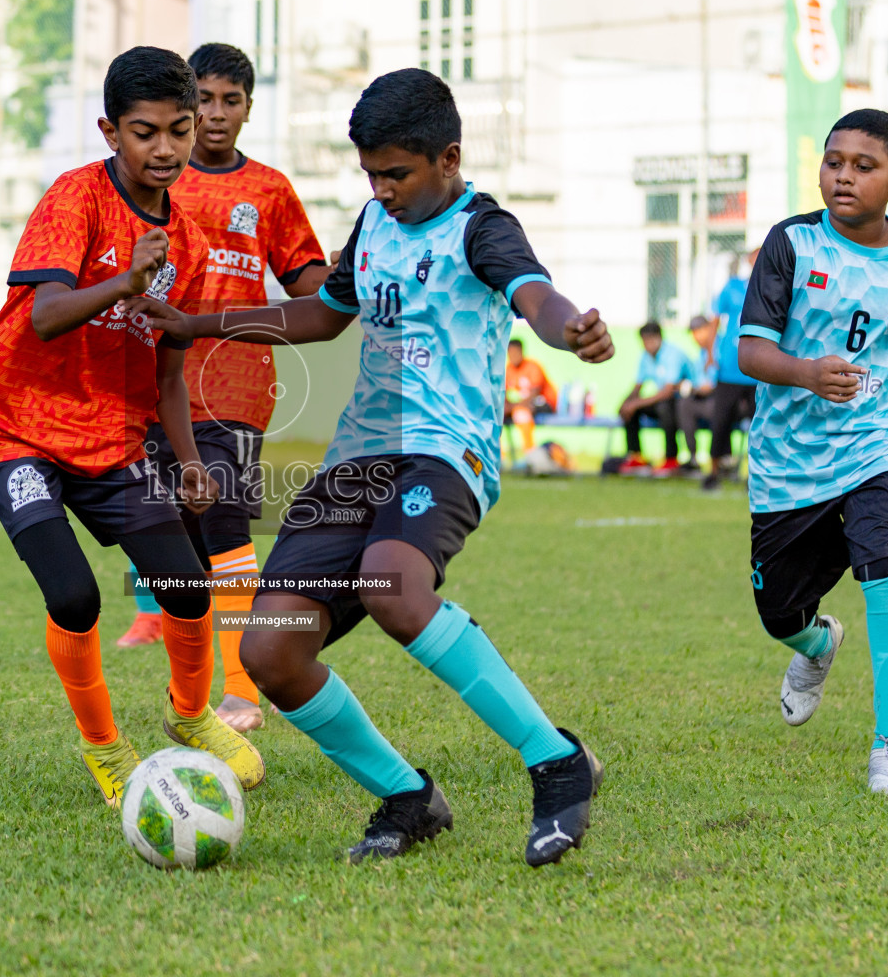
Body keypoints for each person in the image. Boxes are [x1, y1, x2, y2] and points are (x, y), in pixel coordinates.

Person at [130, 68, 612, 866]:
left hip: (444, 453)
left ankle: (557, 763)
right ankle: (408, 797)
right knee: (269, 652)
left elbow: (535, 295)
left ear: (448, 160)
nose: (382, 190)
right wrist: (202, 322)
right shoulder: (376, 223)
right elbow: (322, 311)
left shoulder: (481, 227)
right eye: (371, 175)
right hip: (357, 460)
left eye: (396, 174)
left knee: (393, 584)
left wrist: (574, 330)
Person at [0, 46, 263, 808]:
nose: (165, 149)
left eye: (180, 131)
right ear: (109, 132)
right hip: (12, 427)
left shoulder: (185, 237)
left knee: (187, 588)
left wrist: (189, 460)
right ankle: (105, 749)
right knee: (74, 598)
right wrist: (124, 280)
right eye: (145, 132)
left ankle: (191, 718)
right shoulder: (75, 199)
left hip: (109, 438)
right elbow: (48, 315)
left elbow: (165, 366)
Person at [115, 42, 333, 735]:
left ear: (247, 107)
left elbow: (309, 286)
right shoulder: (159, 179)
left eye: (229, 101)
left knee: (224, 518)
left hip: (236, 383)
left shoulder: (267, 191)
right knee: (174, 531)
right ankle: (191, 688)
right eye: (202, 100)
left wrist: (360, 274)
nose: (214, 115)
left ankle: (242, 692)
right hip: (154, 381)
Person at [738, 108, 888, 796]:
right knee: (778, 615)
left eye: (864, 166)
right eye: (834, 161)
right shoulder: (791, 245)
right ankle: (817, 645)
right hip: (789, 461)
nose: (844, 176)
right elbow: (750, 351)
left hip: (882, 441)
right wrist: (806, 372)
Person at [704, 252, 760, 489]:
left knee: (760, 426)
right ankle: (713, 473)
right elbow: (715, 320)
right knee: (720, 421)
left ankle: (756, 476)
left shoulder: (775, 287)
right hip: (729, 368)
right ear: (749, 260)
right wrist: (709, 353)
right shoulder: (733, 287)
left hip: (759, 370)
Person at [618, 321, 695, 475]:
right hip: (662, 400)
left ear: (660, 338)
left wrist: (635, 403)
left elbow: (668, 391)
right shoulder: (645, 357)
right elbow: (638, 386)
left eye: (651, 340)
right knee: (630, 409)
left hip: (685, 403)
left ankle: (671, 458)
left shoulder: (673, 355)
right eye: (644, 341)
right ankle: (636, 456)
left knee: (664, 407)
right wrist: (626, 403)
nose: (648, 345)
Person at [502, 335, 558, 466]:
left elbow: (534, 394)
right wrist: (506, 406)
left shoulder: (532, 367)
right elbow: (502, 394)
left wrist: (512, 406)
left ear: (522, 352)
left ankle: (530, 455)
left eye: (515, 353)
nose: (513, 356)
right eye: (510, 353)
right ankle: (499, 457)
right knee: (499, 414)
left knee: (521, 413)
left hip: (544, 403)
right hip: (519, 406)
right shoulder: (508, 370)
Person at [675, 314, 718, 471]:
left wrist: (692, 388)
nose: (695, 337)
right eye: (693, 333)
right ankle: (693, 458)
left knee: (719, 406)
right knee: (684, 405)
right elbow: (700, 385)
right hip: (706, 400)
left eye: (698, 331)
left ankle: (723, 459)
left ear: (708, 329)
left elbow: (711, 386)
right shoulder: (700, 354)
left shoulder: (720, 347)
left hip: (724, 399)